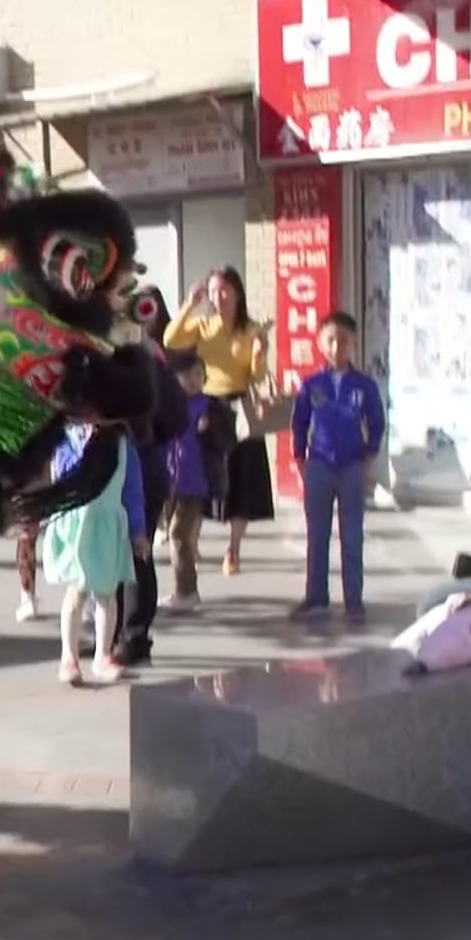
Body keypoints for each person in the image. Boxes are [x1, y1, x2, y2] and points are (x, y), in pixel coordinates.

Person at [163, 267, 273, 574]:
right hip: (207, 405)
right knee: (201, 474)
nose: (218, 296)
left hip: (240, 406)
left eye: (224, 290)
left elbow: (258, 376)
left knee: (242, 479)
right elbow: (171, 339)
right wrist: (189, 304)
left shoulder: (251, 329)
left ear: (237, 292)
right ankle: (192, 542)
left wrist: (260, 353)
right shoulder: (204, 325)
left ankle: (233, 550)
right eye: (213, 291)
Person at [289, 313, 385, 623]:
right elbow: (299, 422)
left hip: (351, 465)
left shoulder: (364, 385)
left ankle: (354, 600)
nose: (336, 347)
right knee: (317, 534)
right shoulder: (311, 384)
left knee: (352, 534)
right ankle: (316, 597)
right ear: (320, 343)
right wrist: (300, 458)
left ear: (354, 344)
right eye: (330, 340)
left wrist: (368, 456)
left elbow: (376, 422)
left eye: (343, 341)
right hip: (319, 463)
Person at [39, 420, 144, 685]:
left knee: (107, 594)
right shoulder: (67, 440)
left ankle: (103, 655)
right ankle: (69, 656)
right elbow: (60, 476)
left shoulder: (123, 444)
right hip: (77, 526)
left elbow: (133, 490)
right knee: (76, 592)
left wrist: (138, 531)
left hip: (108, 526)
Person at [114, 296, 189, 665]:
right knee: (114, 552)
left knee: (137, 551)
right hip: (115, 465)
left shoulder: (149, 362)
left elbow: (176, 417)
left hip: (142, 464)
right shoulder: (113, 360)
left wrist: (145, 431)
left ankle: (134, 636)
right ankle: (112, 632)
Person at [161, 355, 212, 610]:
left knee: (178, 534)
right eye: (187, 375)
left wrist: (211, 427)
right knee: (174, 534)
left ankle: (187, 591)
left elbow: (223, 438)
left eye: (198, 375)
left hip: (194, 479)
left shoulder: (209, 406)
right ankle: (182, 590)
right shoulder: (170, 405)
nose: (193, 380)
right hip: (171, 480)